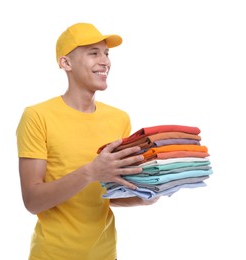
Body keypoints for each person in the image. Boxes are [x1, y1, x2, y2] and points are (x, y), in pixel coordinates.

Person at [16, 22, 159, 260]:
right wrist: (91, 172)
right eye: (93, 53)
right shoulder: (37, 116)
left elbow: (107, 196)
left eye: (106, 53)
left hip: (105, 254)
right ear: (66, 63)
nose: (105, 61)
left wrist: (147, 194)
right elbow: (33, 201)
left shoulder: (119, 119)